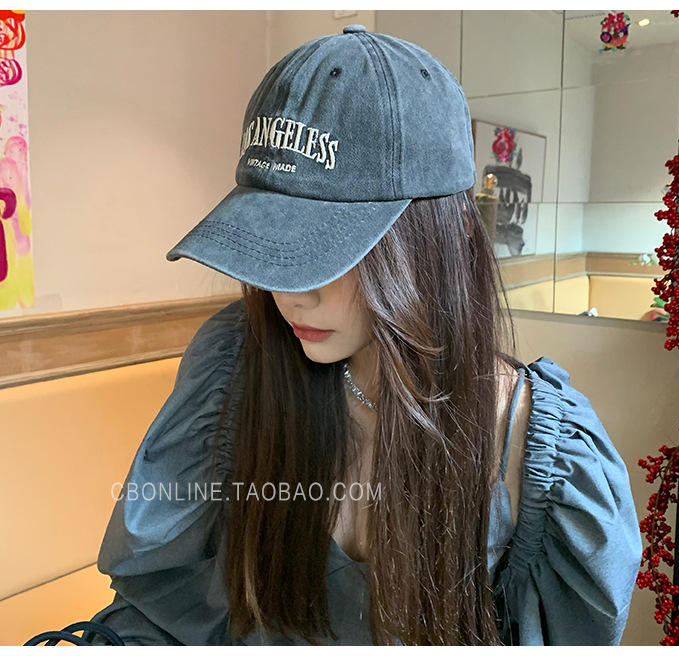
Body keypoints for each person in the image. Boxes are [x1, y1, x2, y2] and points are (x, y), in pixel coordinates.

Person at [88, 25, 642, 646]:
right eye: (269, 242)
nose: (290, 294)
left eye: (330, 250)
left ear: (439, 238)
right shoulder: (240, 361)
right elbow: (162, 611)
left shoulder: (541, 456)